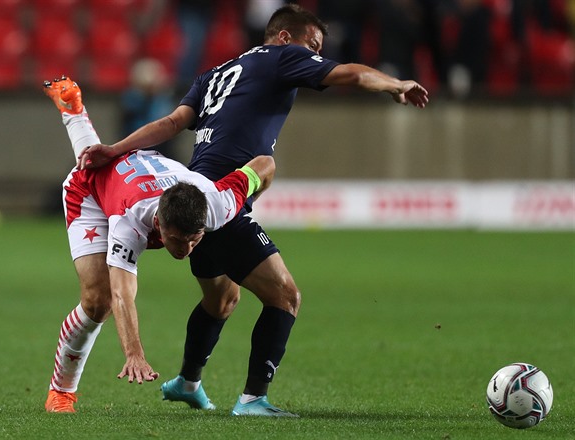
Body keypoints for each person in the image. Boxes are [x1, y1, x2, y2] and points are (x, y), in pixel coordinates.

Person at [80, 4, 429, 417]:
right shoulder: (282, 57)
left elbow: (172, 123)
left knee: (222, 299)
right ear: (285, 37)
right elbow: (350, 73)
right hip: (221, 204)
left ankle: (188, 382)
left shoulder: (215, 74)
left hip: (193, 197)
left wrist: (115, 148)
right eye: (312, 46)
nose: (314, 56)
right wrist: (394, 83)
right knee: (285, 296)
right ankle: (252, 399)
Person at [42, 76, 275, 413]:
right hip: (90, 194)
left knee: (99, 160)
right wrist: (134, 353)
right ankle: (61, 391)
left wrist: (251, 201)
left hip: (137, 168)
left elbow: (264, 164)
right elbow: (123, 292)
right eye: (177, 240)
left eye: (195, 238)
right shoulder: (130, 221)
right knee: (98, 302)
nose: (186, 249)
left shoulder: (218, 202)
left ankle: (74, 110)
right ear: (158, 225)